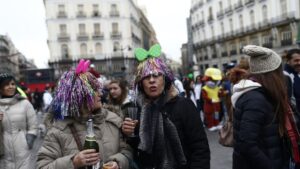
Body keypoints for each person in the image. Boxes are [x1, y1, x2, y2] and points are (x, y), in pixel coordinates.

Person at [122, 44, 210, 169]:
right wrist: (129, 134)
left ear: (165, 79)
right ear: (141, 84)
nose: (152, 80)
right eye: (146, 77)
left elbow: (200, 148)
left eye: (156, 75)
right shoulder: (136, 110)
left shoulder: (184, 106)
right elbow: (138, 151)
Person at [36, 59, 132, 169]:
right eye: (95, 90)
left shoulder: (113, 119)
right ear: (79, 96)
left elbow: (126, 150)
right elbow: (42, 166)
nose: (101, 93)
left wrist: (118, 162)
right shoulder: (58, 130)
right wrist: (73, 162)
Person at [231, 45, 289, 169]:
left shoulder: (262, 94)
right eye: (279, 70)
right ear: (272, 74)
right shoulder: (255, 100)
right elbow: (247, 144)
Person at [0, 73, 38, 169]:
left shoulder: (25, 103)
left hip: (22, 149)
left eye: (13, 84)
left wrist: (28, 141)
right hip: (4, 151)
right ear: (1, 88)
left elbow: (33, 125)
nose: (11, 87)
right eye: (7, 84)